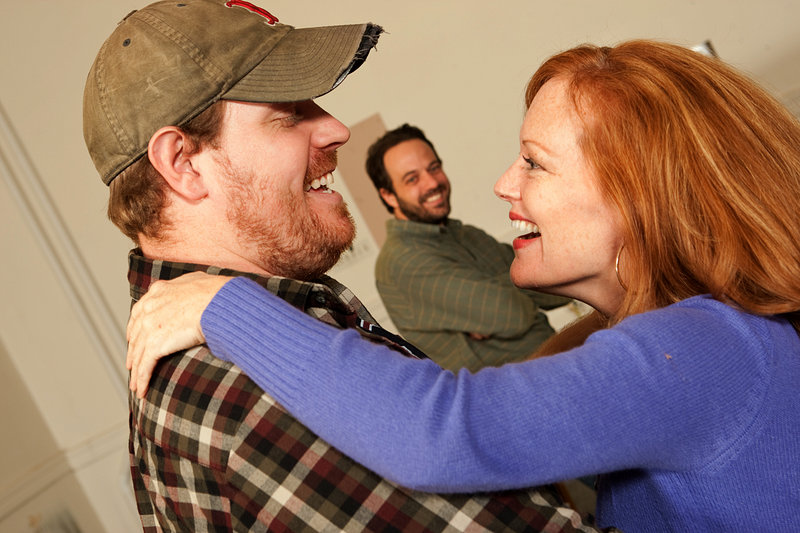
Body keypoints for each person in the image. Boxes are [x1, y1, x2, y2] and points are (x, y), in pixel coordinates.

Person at [126, 39, 800, 531]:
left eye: (535, 163)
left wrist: (226, 307)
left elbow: (448, 427)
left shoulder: (699, 350)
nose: (504, 184)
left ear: (640, 199)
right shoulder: (715, 339)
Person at [84, 1, 604, 531]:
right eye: (287, 113)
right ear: (184, 164)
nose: (337, 129)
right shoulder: (264, 393)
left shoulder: (249, 341)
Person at [365, 124, 571, 371]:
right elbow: (510, 314)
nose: (432, 183)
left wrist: (506, 290)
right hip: (511, 395)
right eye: (412, 179)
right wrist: (516, 285)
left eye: (434, 168)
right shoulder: (401, 261)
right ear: (388, 196)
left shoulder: (465, 234)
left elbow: (552, 287)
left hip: (556, 362)